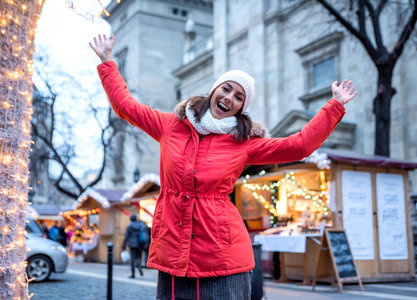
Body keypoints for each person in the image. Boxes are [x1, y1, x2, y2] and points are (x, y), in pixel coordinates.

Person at [90, 33, 357, 300]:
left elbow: (299, 146)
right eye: (226, 89)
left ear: (241, 108)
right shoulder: (171, 125)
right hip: (173, 249)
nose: (229, 98)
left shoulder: (243, 143)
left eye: (239, 97)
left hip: (222, 254)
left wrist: (334, 107)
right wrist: (107, 62)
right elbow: (126, 106)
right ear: (214, 90)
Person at [122, 214, 145, 278]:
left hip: (132, 244)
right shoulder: (140, 225)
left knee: (133, 259)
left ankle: (133, 274)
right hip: (139, 244)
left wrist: (123, 246)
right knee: (138, 258)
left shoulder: (129, 226)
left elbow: (126, 237)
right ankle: (139, 268)